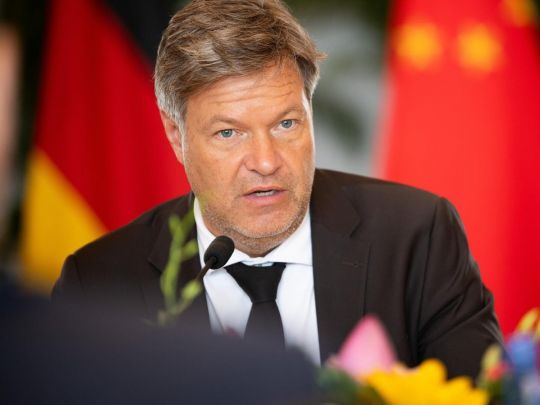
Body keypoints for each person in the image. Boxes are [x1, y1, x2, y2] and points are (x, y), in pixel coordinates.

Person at [53, 0, 502, 379]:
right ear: (176, 136)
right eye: (229, 133)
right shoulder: (99, 284)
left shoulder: (417, 237)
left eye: (286, 124)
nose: (266, 162)